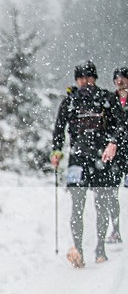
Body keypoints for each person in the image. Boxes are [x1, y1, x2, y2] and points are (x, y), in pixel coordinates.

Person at [50, 60, 123, 267]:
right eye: (81, 78)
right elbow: (59, 128)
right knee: (77, 206)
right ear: (76, 80)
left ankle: (100, 248)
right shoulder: (70, 100)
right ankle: (78, 251)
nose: (85, 81)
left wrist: (113, 142)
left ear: (95, 78)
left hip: (101, 158)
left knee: (102, 204)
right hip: (77, 159)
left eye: (88, 77)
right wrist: (56, 151)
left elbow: (120, 125)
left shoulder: (107, 99)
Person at [106, 66, 128, 243]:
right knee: (112, 193)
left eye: (123, 77)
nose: (119, 81)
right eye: (117, 78)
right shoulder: (110, 100)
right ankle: (116, 229)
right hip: (116, 154)